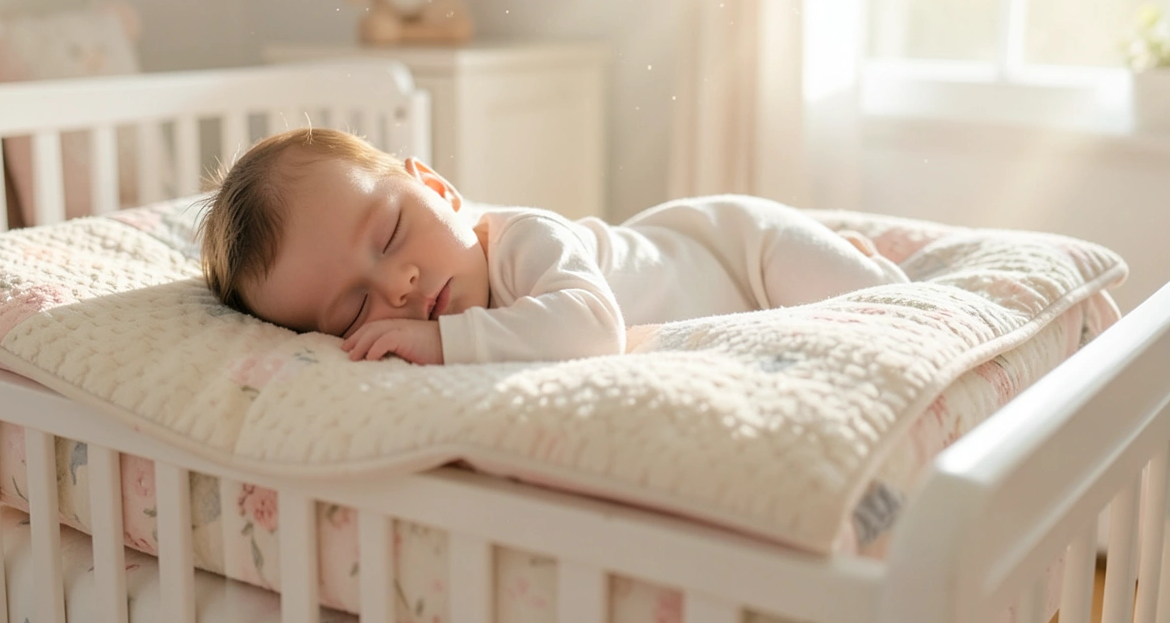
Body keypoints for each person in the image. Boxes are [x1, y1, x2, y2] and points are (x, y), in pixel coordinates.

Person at [198, 128, 908, 365]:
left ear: (439, 189)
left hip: (733, 249)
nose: (399, 288)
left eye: (389, 234)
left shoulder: (518, 240)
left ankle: (856, 256)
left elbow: (593, 326)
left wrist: (445, 346)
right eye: (353, 310)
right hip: (718, 283)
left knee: (883, 309)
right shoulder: (441, 310)